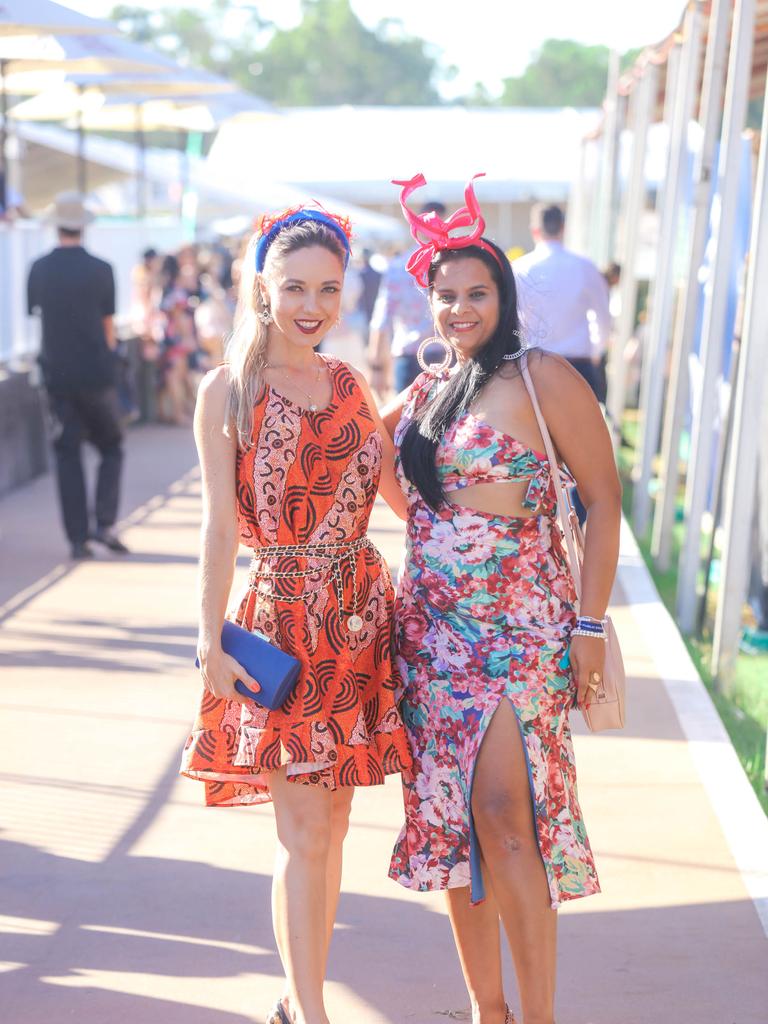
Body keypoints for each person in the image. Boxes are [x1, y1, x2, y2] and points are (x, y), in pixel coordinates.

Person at [384, 175, 622, 1024]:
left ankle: (540, 1014)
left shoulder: (544, 375)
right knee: (455, 825)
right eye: (445, 295)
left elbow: (602, 497)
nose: (459, 308)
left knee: (505, 816)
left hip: (522, 630)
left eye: (476, 293)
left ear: (504, 294)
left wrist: (590, 625)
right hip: (433, 635)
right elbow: (368, 454)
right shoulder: (426, 390)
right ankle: (489, 1008)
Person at [179, 205, 412, 1024]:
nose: (311, 304)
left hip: (359, 617)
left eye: (328, 288)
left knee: (334, 823)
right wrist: (206, 639)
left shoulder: (352, 384)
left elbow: (403, 496)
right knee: (305, 833)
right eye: (294, 287)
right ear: (261, 287)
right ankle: (310, 1012)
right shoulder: (229, 390)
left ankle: (296, 998)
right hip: (282, 619)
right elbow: (215, 524)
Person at [27, 191, 128, 560]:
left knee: (67, 455)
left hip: (57, 375)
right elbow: (108, 327)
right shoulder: (102, 269)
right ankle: (105, 524)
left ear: (57, 227)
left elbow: (36, 316)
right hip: (97, 374)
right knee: (111, 447)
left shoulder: (38, 268)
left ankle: (77, 539)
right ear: (83, 227)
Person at [513, 203, 611, 398]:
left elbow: (512, 320)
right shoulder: (585, 266)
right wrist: (596, 351)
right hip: (578, 366)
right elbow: (603, 317)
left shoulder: (519, 268)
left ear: (535, 230)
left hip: (533, 366)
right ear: (563, 228)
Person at [368, 197, 447, 396]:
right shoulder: (453, 264)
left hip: (424, 357)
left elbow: (381, 319)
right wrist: (377, 367)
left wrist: (377, 367)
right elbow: (382, 318)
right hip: (434, 357)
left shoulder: (402, 265)